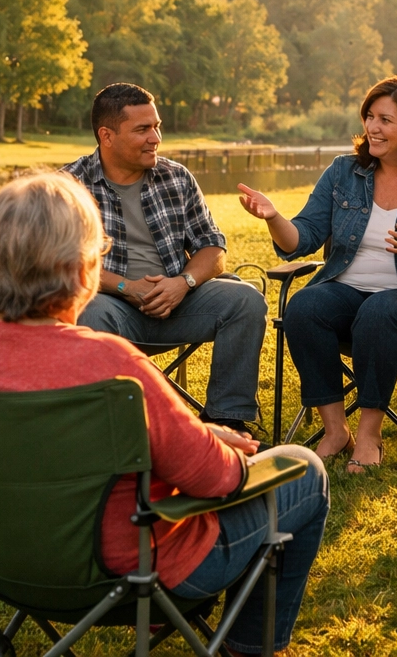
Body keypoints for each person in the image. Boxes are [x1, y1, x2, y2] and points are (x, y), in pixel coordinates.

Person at [0, 173, 329, 657]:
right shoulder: (109, 365)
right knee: (304, 471)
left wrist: (193, 434)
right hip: (125, 573)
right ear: (83, 267)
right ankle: (245, 646)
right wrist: (218, 446)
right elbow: (216, 481)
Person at [238, 74, 397, 473]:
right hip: (346, 292)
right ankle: (336, 431)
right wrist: (274, 216)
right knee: (305, 305)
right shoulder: (344, 172)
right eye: (369, 117)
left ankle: (369, 436)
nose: (372, 128)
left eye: (385, 120)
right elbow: (302, 239)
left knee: (380, 310)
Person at [67, 83, 267, 433]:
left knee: (245, 300)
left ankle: (227, 420)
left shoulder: (176, 177)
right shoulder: (69, 185)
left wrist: (183, 283)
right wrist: (128, 287)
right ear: (106, 136)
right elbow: (64, 262)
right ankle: (111, 428)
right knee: (88, 310)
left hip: (180, 303)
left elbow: (212, 247)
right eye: (142, 129)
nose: (155, 137)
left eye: (156, 126)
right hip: (113, 308)